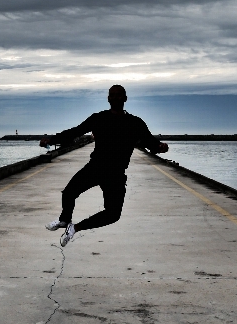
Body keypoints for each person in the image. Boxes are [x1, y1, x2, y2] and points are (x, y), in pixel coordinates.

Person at [39, 85, 169, 246]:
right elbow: (76, 131)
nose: (115, 98)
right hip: (95, 167)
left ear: (125, 98)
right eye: (112, 95)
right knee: (68, 193)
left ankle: (75, 228)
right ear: (108, 99)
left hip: (116, 174)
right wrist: (51, 140)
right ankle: (64, 220)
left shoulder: (135, 123)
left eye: (119, 95)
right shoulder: (98, 118)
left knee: (113, 214)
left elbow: (152, 143)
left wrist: (161, 147)